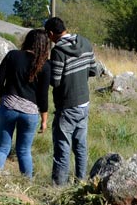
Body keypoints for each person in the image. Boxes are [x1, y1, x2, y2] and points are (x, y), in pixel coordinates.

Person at [45, 16, 100, 186]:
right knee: (80, 146)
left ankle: (59, 187)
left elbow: (55, 81)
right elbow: (94, 70)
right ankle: (81, 182)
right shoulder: (84, 42)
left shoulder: (58, 52)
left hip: (67, 105)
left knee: (62, 147)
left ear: (51, 33)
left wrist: (46, 67)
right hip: (84, 102)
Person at [0, 28, 51, 178]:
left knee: (2, 149)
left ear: (28, 41)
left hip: (8, 106)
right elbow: (43, 96)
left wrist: (3, 98)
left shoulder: (13, 55)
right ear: (44, 46)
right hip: (30, 112)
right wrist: (44, 119)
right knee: (24, 151)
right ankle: (26, 185)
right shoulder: (45, 65)